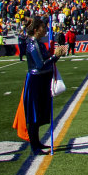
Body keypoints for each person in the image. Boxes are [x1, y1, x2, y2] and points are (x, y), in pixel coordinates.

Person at [20, 16, 65, 155]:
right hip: (35, 81)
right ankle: (34, 146)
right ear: (36, 30)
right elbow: (40, 65)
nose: (45, 29)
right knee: (34, 114)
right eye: (42, 27)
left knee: (39, 113)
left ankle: (37, 142)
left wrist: (55, 56)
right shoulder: (33, 44)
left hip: (41, 80)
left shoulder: (38, 43)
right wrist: (55, 56)